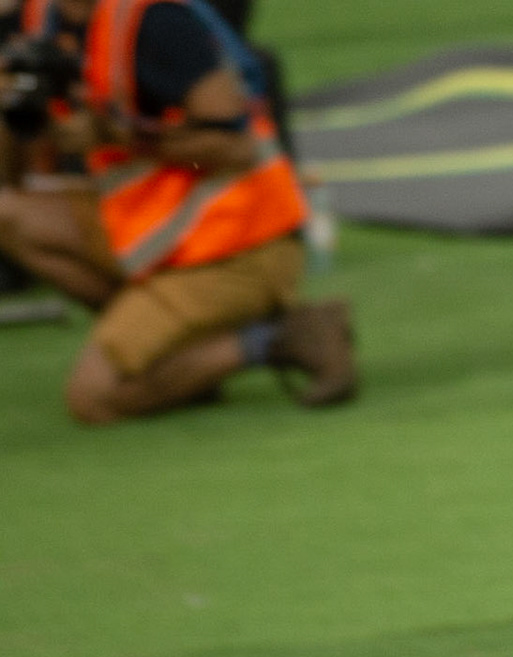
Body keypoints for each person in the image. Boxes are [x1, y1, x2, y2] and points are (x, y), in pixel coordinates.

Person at [0, 0, 352, 424]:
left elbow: (233, 148)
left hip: (240, 245)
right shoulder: (35, 23)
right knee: (8, 212)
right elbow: (11, 180)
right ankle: (183, 359)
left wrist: (116, 136)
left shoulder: (157, 22)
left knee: (94, 397)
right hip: (154, 231)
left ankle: (276, 338)